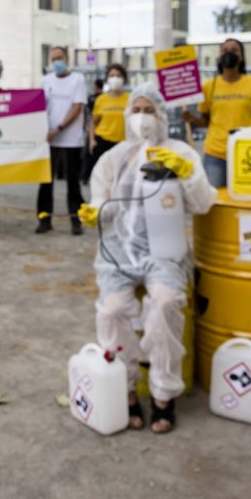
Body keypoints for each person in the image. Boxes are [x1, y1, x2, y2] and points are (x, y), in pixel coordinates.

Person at [76, 82, 216, 433]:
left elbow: (202, 203)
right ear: (127, 116)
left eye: (148, 110)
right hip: (117, 253)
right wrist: (94, 213)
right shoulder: (114, 157)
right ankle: (125, 391)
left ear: (162, 115)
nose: (142, 117)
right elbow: (100, 199)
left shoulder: (181, 152)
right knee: (112, 312)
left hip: (164, 253)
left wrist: (185, 176)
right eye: (136, 110)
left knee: (167, 304)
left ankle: (163, 394)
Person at [183, 38, 251, 188]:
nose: (229, 53)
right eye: (225, 50)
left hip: (246, 151)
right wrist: (191, 118)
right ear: (219, 57)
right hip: (215, 152)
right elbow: (205, 122)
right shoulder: (209, 85)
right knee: (215, 199)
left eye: (234, 50)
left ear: (241, 57)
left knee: (245, 194)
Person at [37, 46, 87, 235]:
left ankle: (76, 220)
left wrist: (59, 128)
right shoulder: (46, 81)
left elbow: (77, 107)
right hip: (49, 140)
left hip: (71, 140)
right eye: (54, 58)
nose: (57, 61)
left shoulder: (78, 80)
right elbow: (39, 106)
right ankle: (44, 219)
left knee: (72, 182)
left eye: (60, 57)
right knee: (45, 182)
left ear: (67, 58)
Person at [88, 64, 130, 171]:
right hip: (103, 142)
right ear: (107, 79)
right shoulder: (101, 99)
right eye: (112, 76)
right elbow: (93, 122)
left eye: (118, 75)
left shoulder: (130, 99)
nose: (115, 78)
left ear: (124, 78)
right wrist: (92, 141)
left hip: (123, 143)